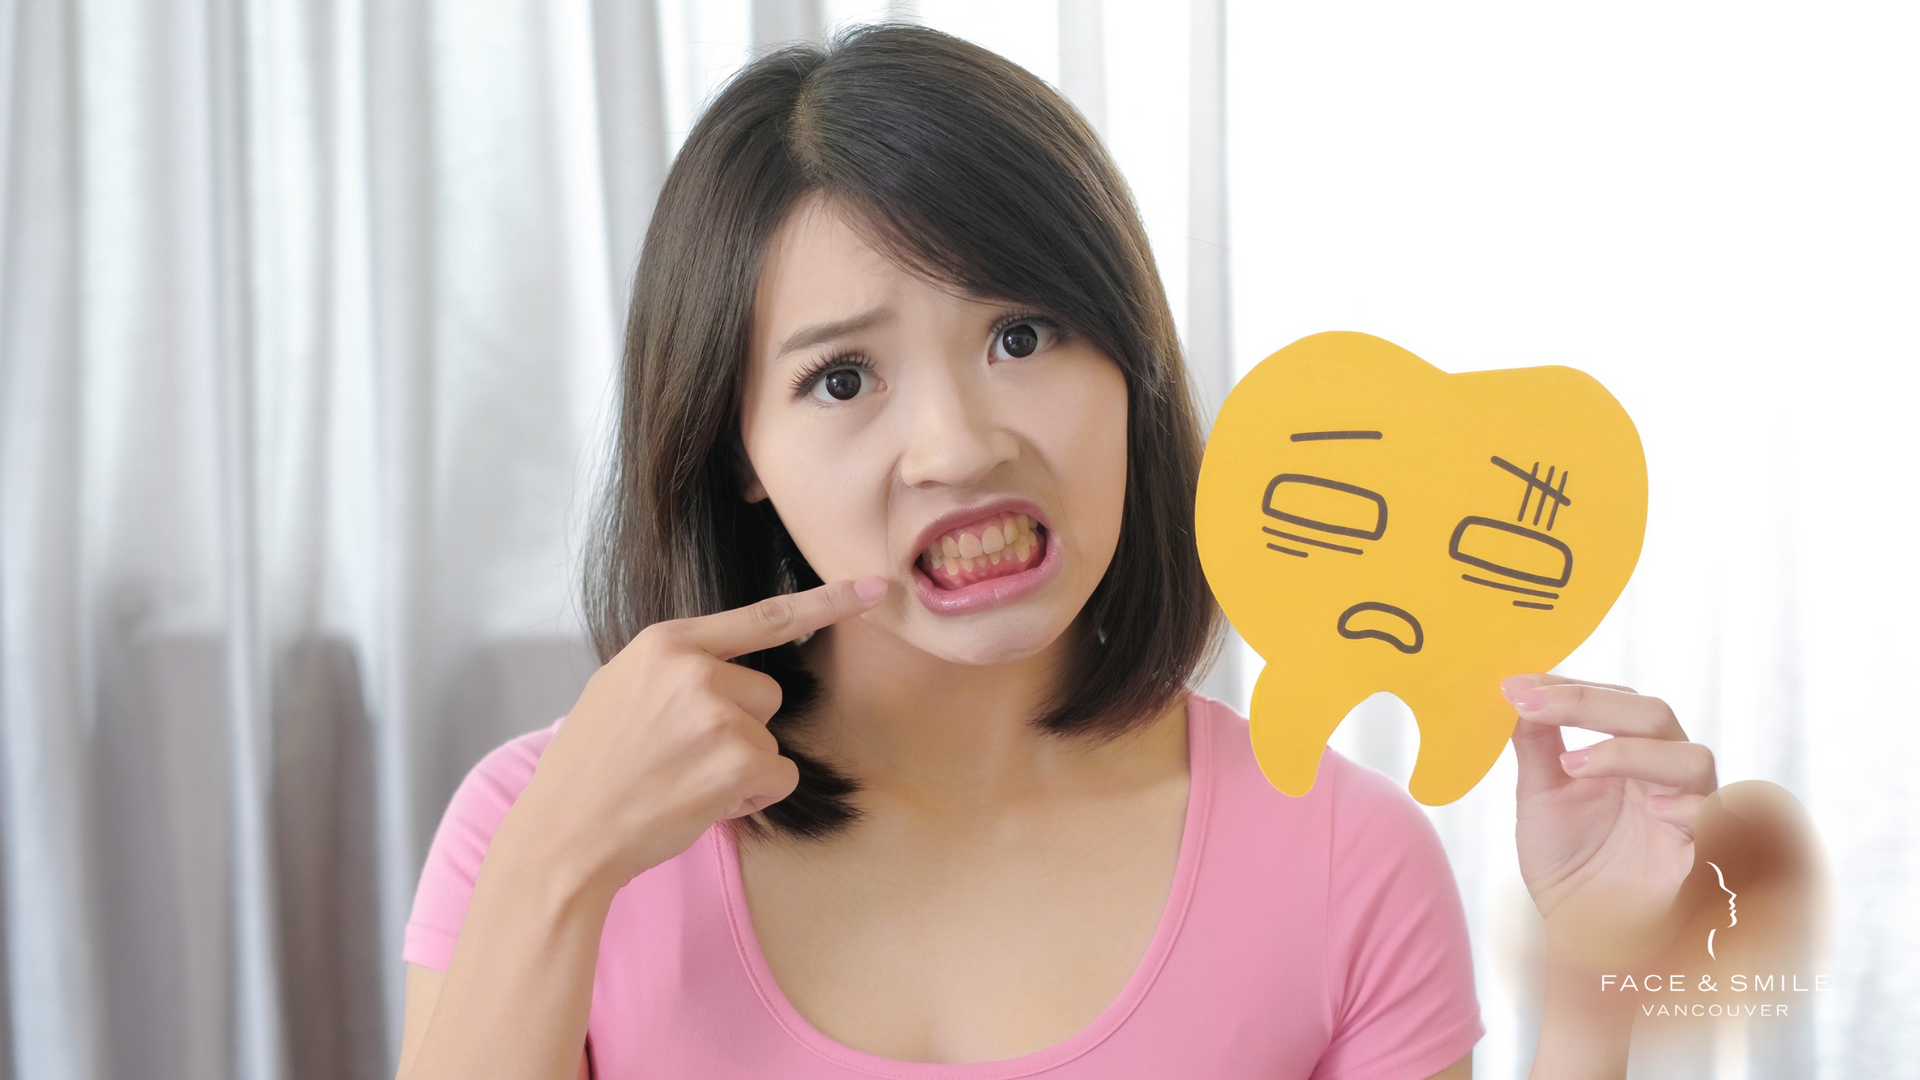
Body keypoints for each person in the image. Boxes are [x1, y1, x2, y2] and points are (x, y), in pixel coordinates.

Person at [394, 25, 1716, 1080]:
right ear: (736, 447)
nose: (956, 446)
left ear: (1130, 362)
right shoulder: (535, 829)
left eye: (1021, 337)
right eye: (843, 377)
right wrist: (558, 869)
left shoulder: (1340, 853)